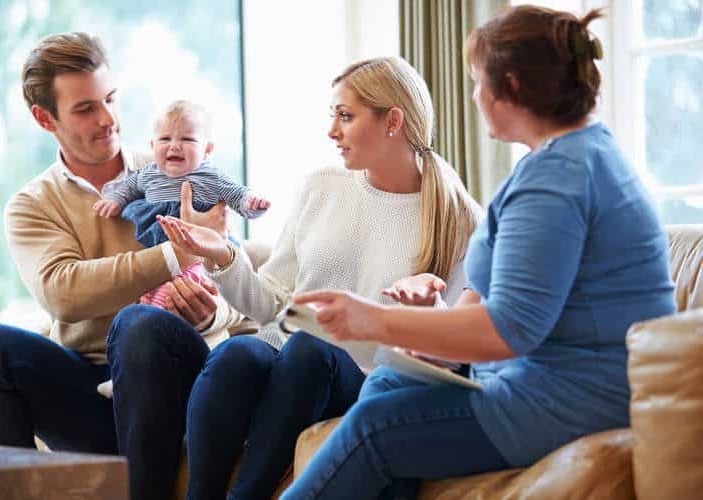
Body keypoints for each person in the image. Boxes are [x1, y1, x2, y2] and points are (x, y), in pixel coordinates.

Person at [280, 6, 677, 500]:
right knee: (384, 387)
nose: (473, 97)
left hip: (569, 400)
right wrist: (432, 335)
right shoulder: (569, 159)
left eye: (477, 83)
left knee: (376, 427)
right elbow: (495, 297)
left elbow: (509, 328)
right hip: (530, 383)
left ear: (509, 87)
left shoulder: (558, 179)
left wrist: (374, 321)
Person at [156, 56, 482, 499]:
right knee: (236, 356)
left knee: (312, 348)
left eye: (345, 116)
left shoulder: (458, 219)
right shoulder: (320, 186)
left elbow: (460, 344)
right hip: (289, 358)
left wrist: (430, 308)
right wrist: (223, 256)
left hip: (363, 376)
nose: (332, 131)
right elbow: (274, 303)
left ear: (393, 122)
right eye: (333, 116)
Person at [0, 32, 243, 500]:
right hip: (92, 391)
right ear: (44, 118)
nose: (108, 119)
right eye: (86, 108)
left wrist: (211, 313)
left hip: (178, 381)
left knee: (138, 325)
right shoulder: (32, 204)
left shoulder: (173, 167)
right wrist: (175, 254)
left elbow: (240, 280)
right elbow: (63, 293)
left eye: (111, 99)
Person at [93, 99, 270, 309]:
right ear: (152, 145)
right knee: (154, 287)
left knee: (198, 283)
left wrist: (251, 203)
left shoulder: (210, 176)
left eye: (187, 139)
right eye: (165, 139)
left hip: (201, 249)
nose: (174, 145)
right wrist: (115, 199)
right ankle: (154, 306)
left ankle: (186, 307)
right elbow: (129, 186)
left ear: (207, 150)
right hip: (158, 247)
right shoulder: (148, 173)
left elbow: (237, 194)